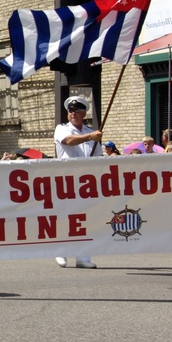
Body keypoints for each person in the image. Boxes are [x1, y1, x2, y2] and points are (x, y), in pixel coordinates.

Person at [53, 95, 101, 269]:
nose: (73, 113)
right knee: (65, 217)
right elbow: (69, 141)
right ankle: (60, 250)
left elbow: (98, 158)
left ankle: (83, 257)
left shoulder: (90, 132)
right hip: (66, 179)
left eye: (77, 110)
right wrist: (91, 137)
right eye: (70, 110)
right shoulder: (62, 129)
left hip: (85, 182)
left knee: (85, 218)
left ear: (84, 113)